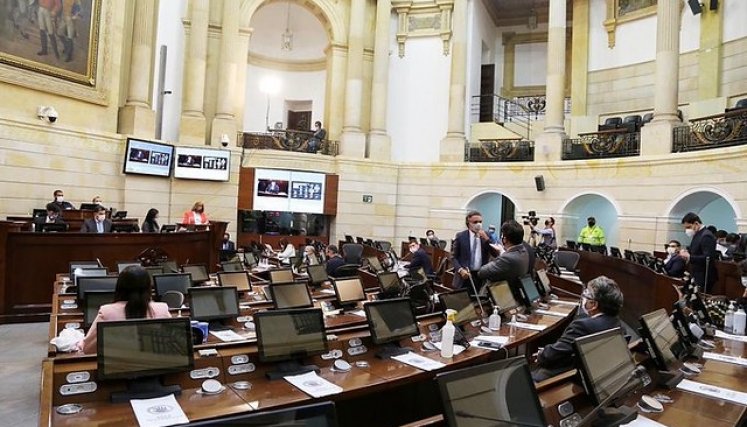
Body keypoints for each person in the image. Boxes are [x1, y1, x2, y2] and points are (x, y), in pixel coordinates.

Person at [532, 276, 623, 382]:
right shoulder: (618, 324)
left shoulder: (583, 326)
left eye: (586, 295)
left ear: (594, 305)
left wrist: (541, 354)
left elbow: (552, 355)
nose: (583, 298)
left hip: (571, 378)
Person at [77, 266, 171, 354]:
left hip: (117, 365)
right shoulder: (162, 309)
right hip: (154, 364)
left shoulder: (106, 312)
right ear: (149, 287)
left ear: (119, 287)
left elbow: (87, 348)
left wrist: (79, 341)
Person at [477, 220, 529, 290]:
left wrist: (501, 254)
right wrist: (502, 252)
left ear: (504, 239)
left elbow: (481, 272)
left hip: (500, 292)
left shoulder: (507, 259)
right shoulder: (524, 251)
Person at [679, 212, 718, 291]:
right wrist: (687, 252)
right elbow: (696, 250)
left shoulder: (706, 235)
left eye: (689, 227)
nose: (687, 230)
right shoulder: (698, 234)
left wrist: (690, 257)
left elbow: (708, 257)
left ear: (696, 223)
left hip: (704, 275)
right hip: (697, 273)